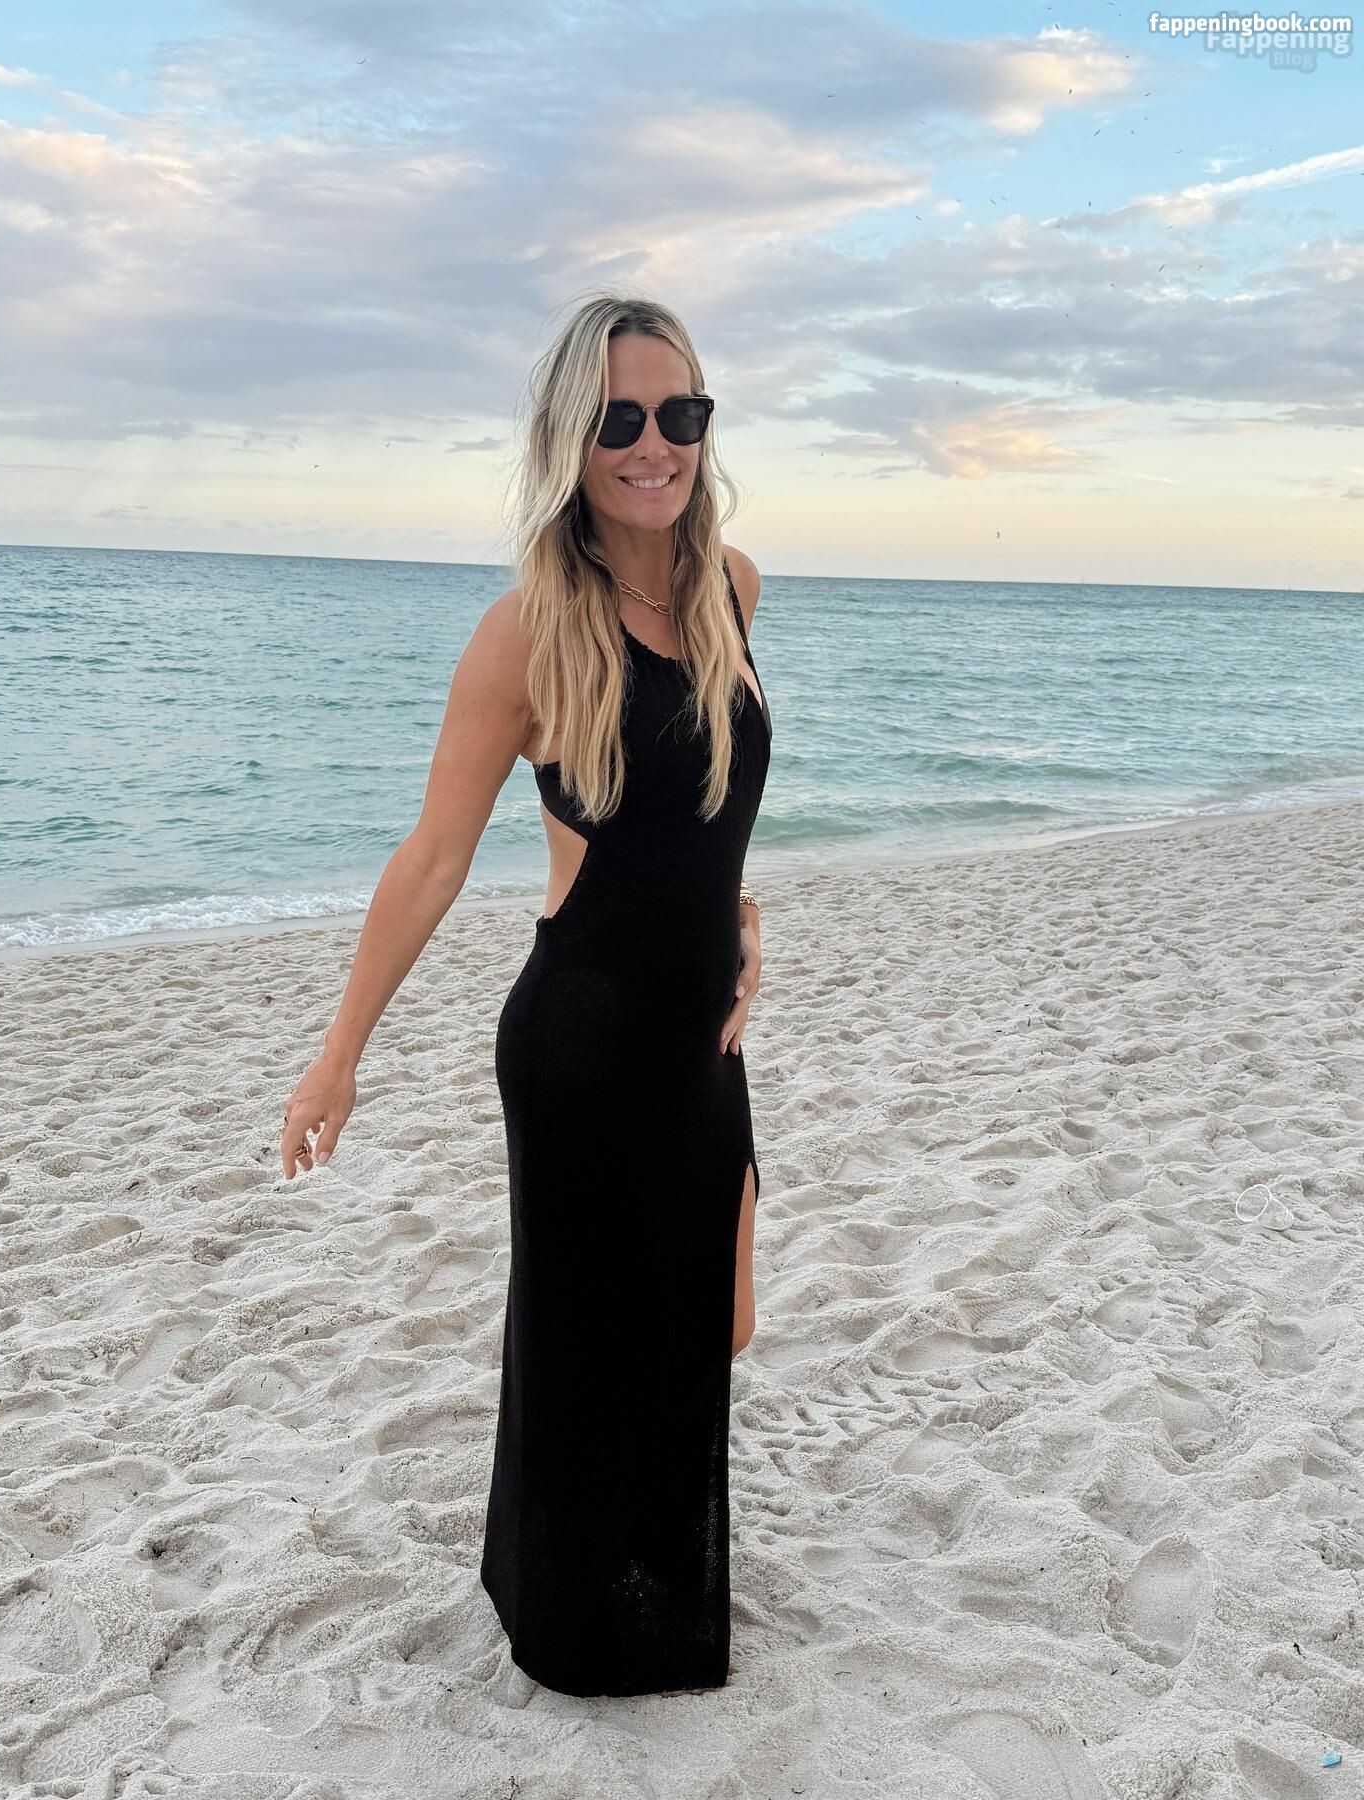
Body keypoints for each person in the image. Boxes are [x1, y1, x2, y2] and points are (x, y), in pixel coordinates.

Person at [279, 291, 772, 1697]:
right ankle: (576, 1618)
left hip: (697, 1032)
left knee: (714, 1316)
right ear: (571, 439)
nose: (653, 445)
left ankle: (643, 1571)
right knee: (587, 1335)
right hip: (583, 1038)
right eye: (619, 421)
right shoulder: (527, 634)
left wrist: (740, 912)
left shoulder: (735, 590)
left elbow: (699, 796)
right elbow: (435, 857)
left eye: (679, 414)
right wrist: (339, 1055)